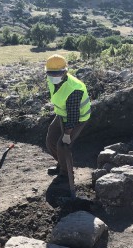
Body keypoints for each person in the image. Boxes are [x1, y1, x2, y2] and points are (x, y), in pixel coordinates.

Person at [44, 54, 92, 184]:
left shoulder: (74, 88)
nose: (54, 76)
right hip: (61, 113)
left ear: (65, 71)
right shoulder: (52, 78)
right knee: (51, 141)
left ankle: (66, 175)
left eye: (57, 73)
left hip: (78, 118)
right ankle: (61, 164)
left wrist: (67, 134)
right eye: (50, 73)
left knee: (63, 145)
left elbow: (73, 115)